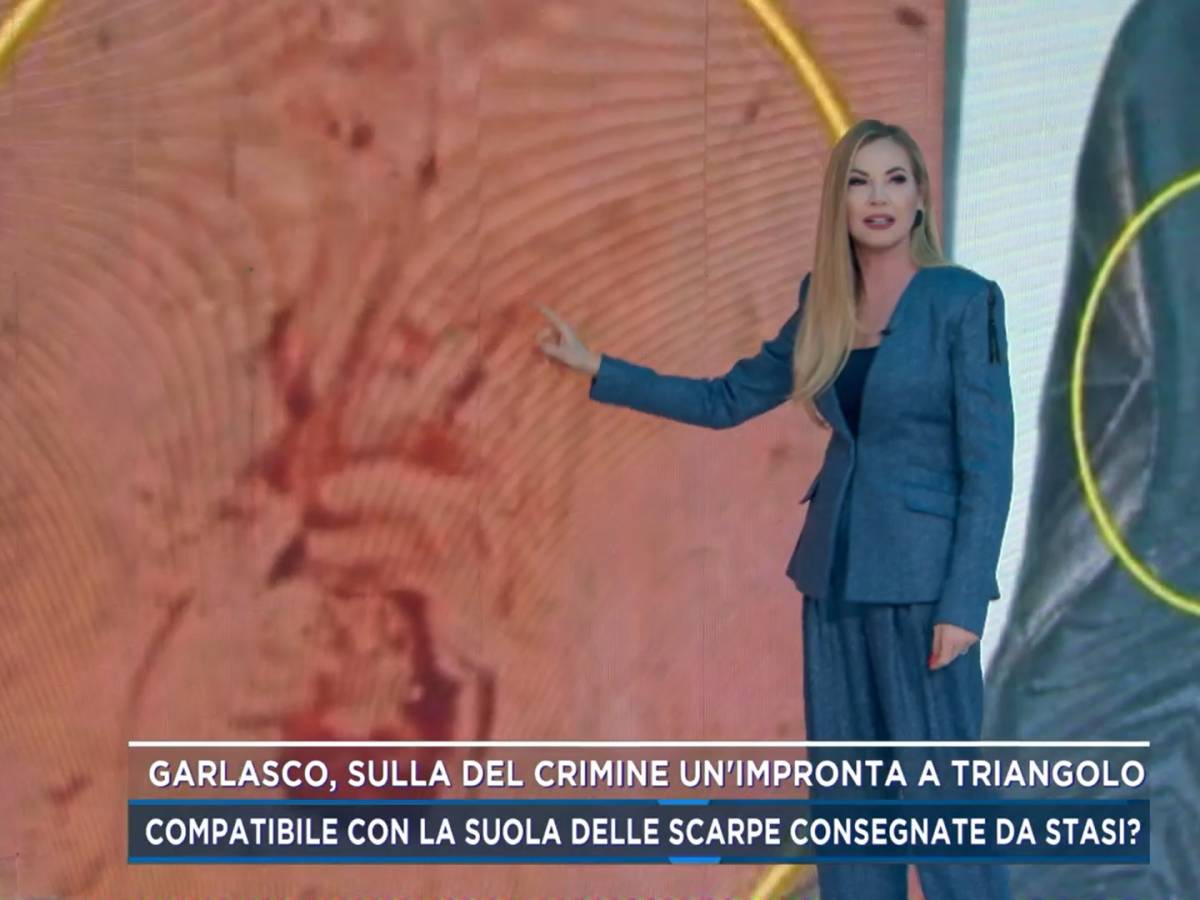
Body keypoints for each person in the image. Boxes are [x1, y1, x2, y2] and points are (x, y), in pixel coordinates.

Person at [536, 118, 1013, 900]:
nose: (878, 197)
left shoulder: (965, 301)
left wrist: (963, 604)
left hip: (926, 595)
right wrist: (601, 369)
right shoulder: (822, 303)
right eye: (859, 181)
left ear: (921, 198)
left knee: (945, 814)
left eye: (895, 179)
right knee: (851, 819)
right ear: (839, 203)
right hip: (833, 583)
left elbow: (988, 466)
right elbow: (726, 400)